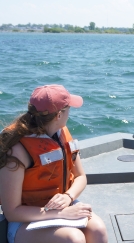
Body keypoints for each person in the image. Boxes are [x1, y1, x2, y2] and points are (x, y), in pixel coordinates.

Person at [0, 84, 108, 243]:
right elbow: (12, 212)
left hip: (62, 208)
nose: (70, 113)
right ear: (58, 115)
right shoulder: (17, 149)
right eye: (68, 108)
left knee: (98, 230)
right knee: (74, 238)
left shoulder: (61, 132)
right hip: (24, 220)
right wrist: (61, 213)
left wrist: (68, 196)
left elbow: (81, 177)